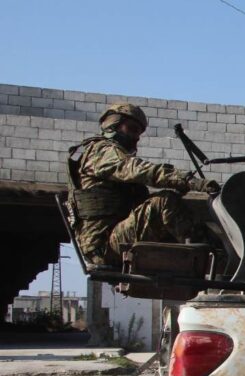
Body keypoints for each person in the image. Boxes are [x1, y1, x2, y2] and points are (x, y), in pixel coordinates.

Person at [67, 102, 220, 267]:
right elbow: (139, 170)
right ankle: (217, 261)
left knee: (168, 207)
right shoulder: (100, 151)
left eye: (139, 133)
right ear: (113, 124)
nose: (137, 137)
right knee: (163, 202)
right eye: (132, 129)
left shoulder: (105, 154)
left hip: (113, 238)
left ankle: (207, 258)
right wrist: (189, 181)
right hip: (105, 246)